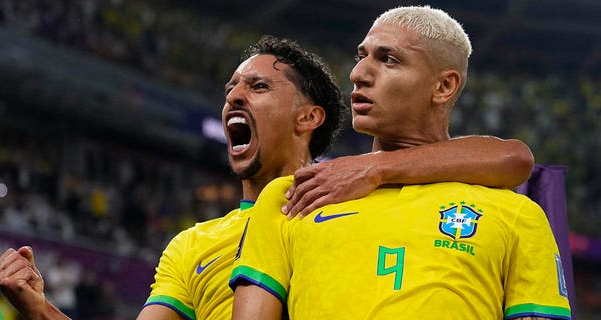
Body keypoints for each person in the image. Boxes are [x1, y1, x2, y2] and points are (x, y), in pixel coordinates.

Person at [0, 35, 533, 320]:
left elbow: (511, 160)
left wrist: (375, 166)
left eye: (258, 87)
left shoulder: (365, 197)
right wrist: (40, 311)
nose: (233, 96)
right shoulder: (193, 245)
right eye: (231, 87)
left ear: (308, 117)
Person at [230, 7, 571, 320]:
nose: (358, 74)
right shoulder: (292, 195)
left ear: (444, 86)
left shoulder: (517, 215)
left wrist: (377, 168)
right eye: (361, 56)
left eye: (388, 59)